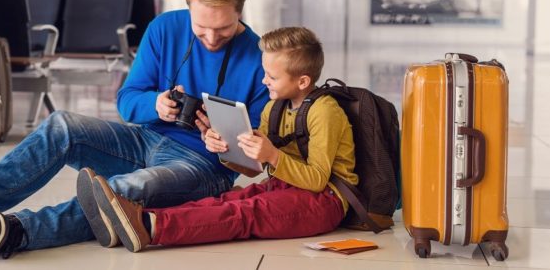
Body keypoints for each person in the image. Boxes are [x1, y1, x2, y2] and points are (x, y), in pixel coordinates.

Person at [0, 0, 270, 259]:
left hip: (201, 165)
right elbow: (127, 101)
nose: (210, 39)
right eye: (201, 27)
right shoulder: (164, 29)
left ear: (240, 10)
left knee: (129, 188)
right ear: (188, 7)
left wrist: (224, 143)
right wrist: (155, 103)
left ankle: (17, 231)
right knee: (62, 125)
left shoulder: (258, 57)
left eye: (222, 29)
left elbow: (253, 159)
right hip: (146, 138)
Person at [77, 27, 358, 252]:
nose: (264, 82)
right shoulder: (276, 106)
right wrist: (226, 148)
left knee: (245, 212)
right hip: (285, 185)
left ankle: (149, 226)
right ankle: (134, 220)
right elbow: (253, 169)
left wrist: (272, 155)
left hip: (327, 200)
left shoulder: (324, 112)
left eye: (272, 76)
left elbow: (318, 179)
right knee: (226, 199)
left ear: (303, 81)